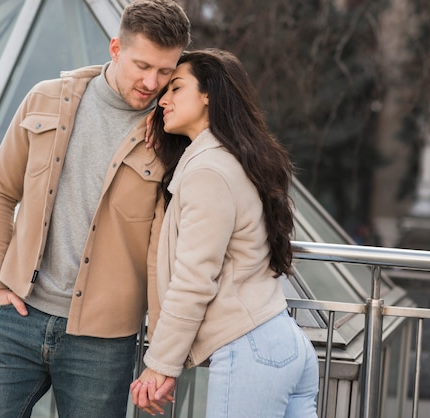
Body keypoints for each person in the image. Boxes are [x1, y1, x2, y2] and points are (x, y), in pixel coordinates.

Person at [0, 1, 190, 417]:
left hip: (104, 341)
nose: (151, 81)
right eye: (141, 65)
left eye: (165, 71)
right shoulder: (45, 99)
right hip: (17, 317)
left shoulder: (173, 138)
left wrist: (161, 352)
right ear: (116, 47)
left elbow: (165, 254)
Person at [130, 49, 319, 417]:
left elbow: (195, 279)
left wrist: (161, 364)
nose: (162, 100)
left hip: (250, 350)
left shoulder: (208, 171)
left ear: (209, 96)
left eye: (175, 89)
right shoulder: (231, 157)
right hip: (280, 342)